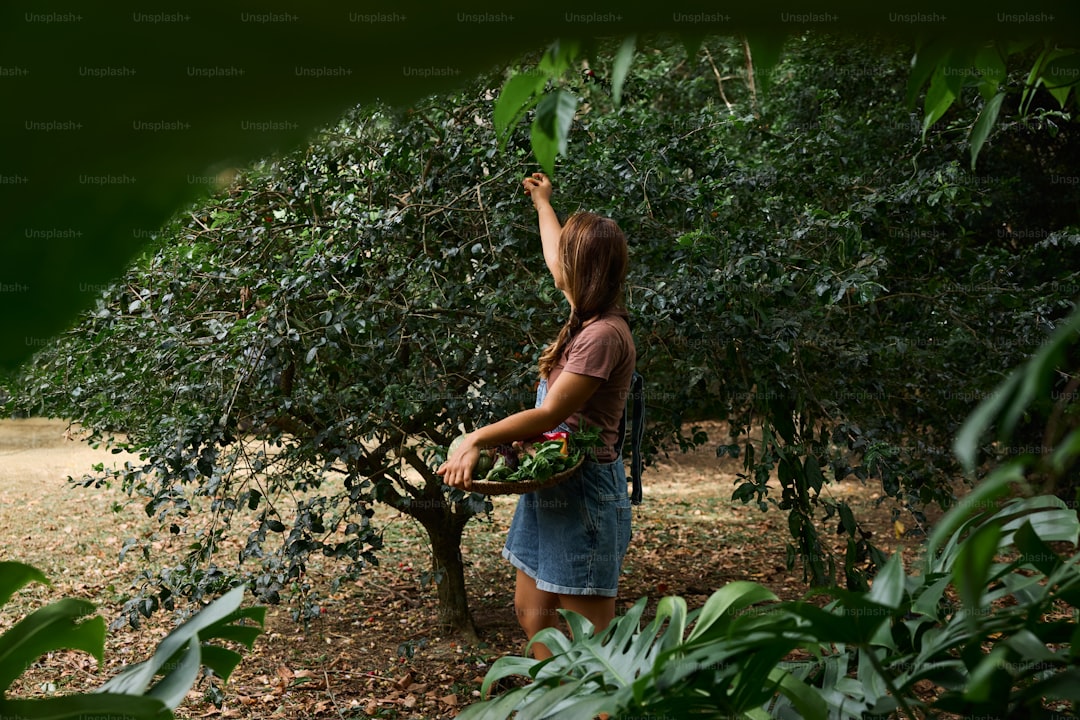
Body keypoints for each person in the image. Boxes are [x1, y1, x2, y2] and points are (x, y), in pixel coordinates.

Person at [438, 172, 637, 659]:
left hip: (585, 491)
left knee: (594, 647)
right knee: (533, 613)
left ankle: (596, 708)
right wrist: (543, 203)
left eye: (567, 254)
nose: (556, 262)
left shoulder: (601, 336)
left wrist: (474, 440)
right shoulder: (583, 310)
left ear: (581, 268)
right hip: (553, 484)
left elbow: (550, 412)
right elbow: (554, 254)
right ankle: (554, 701)